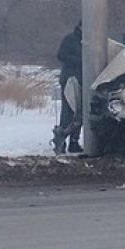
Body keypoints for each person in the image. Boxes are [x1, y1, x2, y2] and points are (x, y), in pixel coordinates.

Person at [53, 21, 83, 154]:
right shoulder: (70, 39)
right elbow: (61, 55)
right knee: (68, 112)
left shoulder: (89, 41)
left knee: (79, 113)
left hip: (83, 80)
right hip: (70, 79)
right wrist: (80, 60)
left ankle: (74, 142)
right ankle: (61, 142)